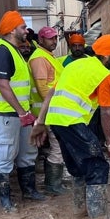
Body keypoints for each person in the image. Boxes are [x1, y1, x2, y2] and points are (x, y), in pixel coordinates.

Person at [30, 35, 110, 219]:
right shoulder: (104, 75)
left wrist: (40, 122)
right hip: (72, 120)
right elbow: (106, 114)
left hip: (56, 120)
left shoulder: (73, 65)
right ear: (107, 55)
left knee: (79, 166)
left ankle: (80, 213)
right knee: (98, 165)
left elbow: (51, 94)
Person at [0, 11, 45, 213]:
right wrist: (21, 112)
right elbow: (3, 85)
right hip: (6, 115)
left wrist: (25, 112)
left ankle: (28, 191)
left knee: (28, 152)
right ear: (12, 30)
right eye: (22, 27)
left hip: (20, 114)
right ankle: (5, 200)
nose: (26, 30)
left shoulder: (15, 50)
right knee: (5, 155)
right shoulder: (2, 51)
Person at [28, 26, 67, 195]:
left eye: (55, 38)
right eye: (50, 38)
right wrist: (50, 111)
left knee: (57, 146)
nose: (54, 41)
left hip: (52, 110)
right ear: (41, 40)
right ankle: (53, 184)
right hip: (49, 111)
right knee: (57, 147)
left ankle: (54, 182)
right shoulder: (39, 58)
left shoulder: (48, 57)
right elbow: (43, 87)